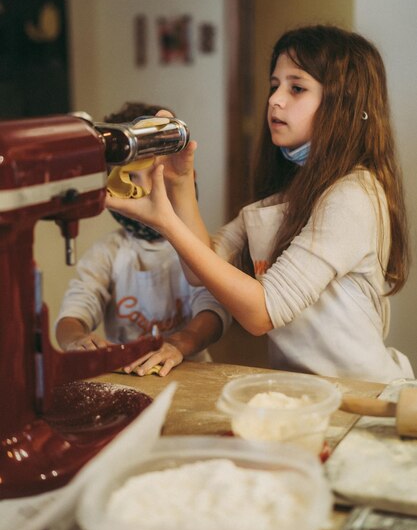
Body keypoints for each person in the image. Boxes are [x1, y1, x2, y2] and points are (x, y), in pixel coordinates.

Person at [105, 25, 416, 384]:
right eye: (274, 86)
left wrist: (167, 223)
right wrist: (179, 182)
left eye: (296, 88)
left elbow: (262, 312)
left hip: (364, 396)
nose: (275, 100)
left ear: (344, 104)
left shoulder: (353, 196)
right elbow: (201, 268)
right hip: (307, 392)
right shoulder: (285, 198)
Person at [55, 102, 230, 376]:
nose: (142, 188)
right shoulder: (108, 253)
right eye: (129, 177)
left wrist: (179, 343)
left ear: (187, 178)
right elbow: (72, 315)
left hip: (192, 372)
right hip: (129, 375)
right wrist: (75, 339)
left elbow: (213, 312)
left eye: (155, 173)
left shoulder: (198, 246)